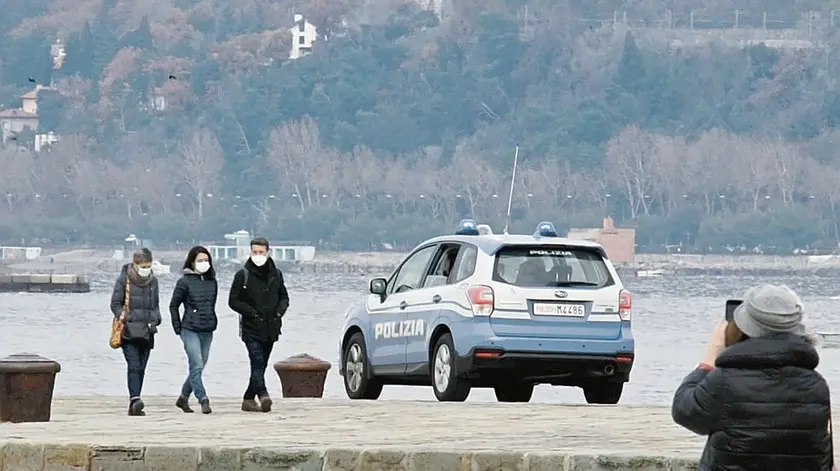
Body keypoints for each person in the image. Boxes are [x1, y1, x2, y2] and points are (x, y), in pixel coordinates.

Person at [671, 284, 832, 471]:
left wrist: (708, 362)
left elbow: (684, 411)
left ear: (743, 328)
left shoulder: (725, 382)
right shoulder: (815, 385)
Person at [228, 237, 289, 413]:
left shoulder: (276, 274)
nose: (258, 255)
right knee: (257, 361)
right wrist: (251, 313)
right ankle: (263, 395)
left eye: (261, 252)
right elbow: (233, 301)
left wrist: (278, 313)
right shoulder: (243, 275)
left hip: (271, 327)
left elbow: (284, 297)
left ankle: (248, 399)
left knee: (261, 365)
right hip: (251, 328)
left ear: (268, 252)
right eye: (255, 252)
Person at [110, 248, 161, 416]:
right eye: (143, 266)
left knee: (142, 367)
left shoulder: (153, 281)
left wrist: (156, 318)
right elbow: (115, 304)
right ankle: (135, 398)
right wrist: (125, 317)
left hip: (147, 330)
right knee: (134, 365)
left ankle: (135, 402)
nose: (146, 269)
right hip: (129, 331)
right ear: (135, 264)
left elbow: (155, 304)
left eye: (148, 266)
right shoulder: (123, 280)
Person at [169, 246, 218, 415]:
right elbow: (173, 305)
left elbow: (211, 304)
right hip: (189, 328)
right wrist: (177, 327)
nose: (204, 263)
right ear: (192, 262)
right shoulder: (184, 282)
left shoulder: (212, 282)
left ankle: (183, 397)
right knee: (196, 363)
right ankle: (202, 398)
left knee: (200, 365)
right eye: (200, 260)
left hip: (207, 328)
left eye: (206, 260)